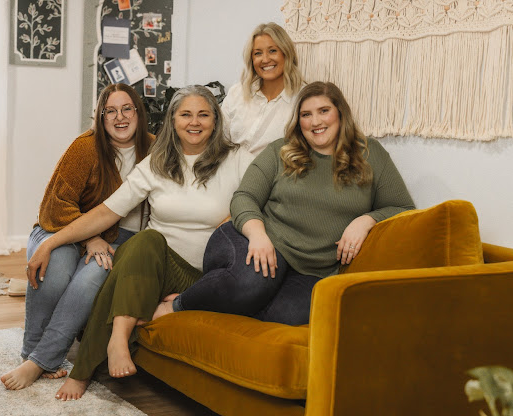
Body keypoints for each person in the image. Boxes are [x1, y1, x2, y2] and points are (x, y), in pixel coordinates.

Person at [24, 85, 254, 400]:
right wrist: (49, 244)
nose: (194, 122)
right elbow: (107, 212)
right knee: (143, 243)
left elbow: (261, 203)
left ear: (216, 120)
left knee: (129, 253)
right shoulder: (158, 161)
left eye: (203, 114)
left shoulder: (238, 158)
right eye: (185, 114)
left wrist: (237, 217)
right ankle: (110, 347)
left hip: (205, 276)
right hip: (159, 267)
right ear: (173, 120)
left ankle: (80, 369)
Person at [153, 81, 416, 326]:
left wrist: (366, 220)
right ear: (299, 121)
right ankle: (177, 305)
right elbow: (244, 197)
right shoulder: (280, 150)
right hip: (251, 240)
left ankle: (213, 296)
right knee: (255, 281)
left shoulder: (369, 154)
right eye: (306, 114)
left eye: (324, 111)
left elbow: (404, 209)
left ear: (340, 113)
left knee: (285, 315)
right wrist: (258, 236)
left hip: (312, 271)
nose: (315, 121)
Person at [0, 83, 152, 390]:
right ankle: (31, 351)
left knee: (89, 279)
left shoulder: (154, 149)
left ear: (138, 112)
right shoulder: (86, 147)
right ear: (100, 116)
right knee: (55, 269)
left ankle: (39, 361)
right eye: (110, 111)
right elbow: (55, 206)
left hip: (116, 238)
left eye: (127, 109)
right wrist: (90, 238)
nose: (120, 117)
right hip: (59, 228)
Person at [222, 22, 304, 155]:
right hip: (230, 166)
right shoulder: (236, 93)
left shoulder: (303, 98)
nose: (265, 60)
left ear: (286, 53)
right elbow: (219, 140)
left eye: (272, 51)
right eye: (258, 53)